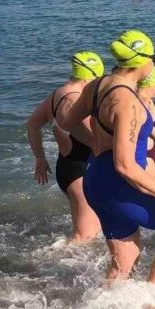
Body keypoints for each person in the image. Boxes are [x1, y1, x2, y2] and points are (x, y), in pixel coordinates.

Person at [65, 30, 155, 293]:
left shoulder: (98, 85)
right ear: (143, 61)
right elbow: (125, 166)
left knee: (123, 264)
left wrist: (96, 143)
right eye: (154, 57)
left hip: (95, 179)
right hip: (120, 185)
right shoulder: (128, 102)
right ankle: (151, 299)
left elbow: (67, 122)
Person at [26, 52, 104, 242]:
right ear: (90, 76)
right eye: (98, 79)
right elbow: (95, 142)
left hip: (67, 168)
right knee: (85, 237)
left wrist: (40, 158)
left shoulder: (57, 94)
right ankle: (46, 265)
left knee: (88, 231)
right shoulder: (77, 101)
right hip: (81, 173)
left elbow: (32, 124)